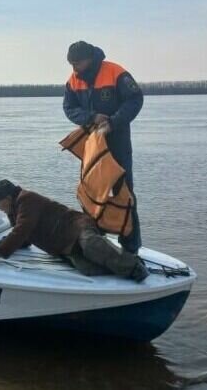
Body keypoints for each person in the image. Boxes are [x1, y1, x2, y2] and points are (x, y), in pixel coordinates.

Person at [62, 40, 144, 253]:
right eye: (71, 64)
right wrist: (90, 117)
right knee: (90, 192)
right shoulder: (73, 80)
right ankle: (95, 243)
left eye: (77, 63)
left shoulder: (115, 72)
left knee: (124, 192)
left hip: (118, 142)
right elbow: (69, 108)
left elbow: (135, 99)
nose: (74, 68)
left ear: (89, 59)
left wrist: (113, 122)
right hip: (93, 145)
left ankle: (131, 248)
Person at [0, 180, 148, 282]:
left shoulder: (26, 199)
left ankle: (134, 267)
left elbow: (22, 230)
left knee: (91, 246)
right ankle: (119, 264)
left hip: (77, 227)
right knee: (87, 269)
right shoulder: (14, 210)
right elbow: (24, 237)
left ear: (7, 198)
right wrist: (3, 245)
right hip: (66, 244)